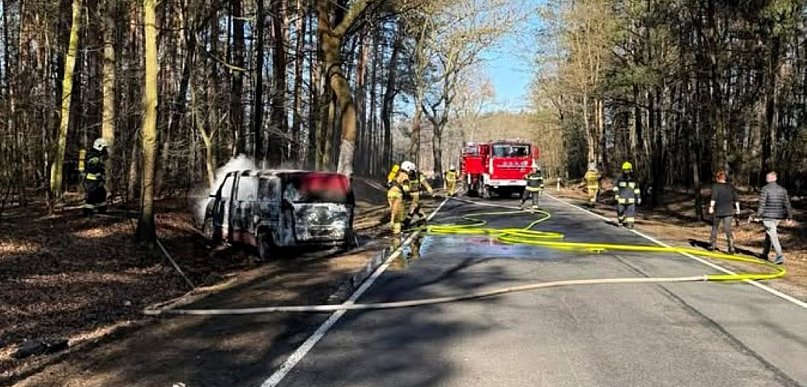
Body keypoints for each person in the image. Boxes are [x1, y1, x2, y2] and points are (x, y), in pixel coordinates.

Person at [755, 171, 795, 265]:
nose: (766, 178)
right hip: (778, 217)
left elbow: (762, 204)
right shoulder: (783, 190)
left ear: (773, 178)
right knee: (769, 235)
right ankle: (765, 253)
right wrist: (789, 216)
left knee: (773, 235)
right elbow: (787, 204)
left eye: (767, 177)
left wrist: (758, 215)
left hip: (768, 216)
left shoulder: (765, 189)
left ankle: (779, 256)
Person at [708, 169, 740, 254]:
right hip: (729, 211)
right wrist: (738, 209)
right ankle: (731, 246)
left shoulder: (716, 186)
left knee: (715, 227)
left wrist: (711, 207)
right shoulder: (731, 186)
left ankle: (712, 244)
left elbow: (713, 197)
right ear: (724, 178)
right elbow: (736, 199)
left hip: (718, 210)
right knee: (727, 229)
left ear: (717, 178)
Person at [83, 138, 109, 215]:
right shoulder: (94, 156)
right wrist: (99, 177)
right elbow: (93, 168)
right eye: (104, 148)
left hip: (95, 180)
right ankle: (88, 211)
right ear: (99, 147)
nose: (105, 150)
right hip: (92, 180)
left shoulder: (96, 155)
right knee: (92, 195)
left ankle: (102, 209)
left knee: (101, 193)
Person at [402, 161, 433, 226]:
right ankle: (423, 218)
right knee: (417, 208)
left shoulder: (418, 175)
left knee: (413, 207)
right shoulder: (405, 175)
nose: (406, 172)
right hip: (409, 194)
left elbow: (424, 182)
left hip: (416, 194)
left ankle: (406, 222)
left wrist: (429, 188)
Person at [386, 166, 410, 247]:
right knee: (398, 213)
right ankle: (397, 232)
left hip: (390, 194)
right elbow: (406, 187)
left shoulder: (395, 174)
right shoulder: (404, 175)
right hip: (397, 195)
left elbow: (388, 183)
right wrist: (407, 193)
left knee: (393, 211)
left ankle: (392, 228)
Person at [613, 161, 641, 229]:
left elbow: (636, 189)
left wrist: (638, 197)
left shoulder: (634, 179)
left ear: (630, 170)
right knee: (620, 211)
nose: (626, 171)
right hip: (621, 199)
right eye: (625, 170)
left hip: (631, 200)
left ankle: (630, 224)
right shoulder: (620, 179)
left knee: (631, 213)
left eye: (627, 170)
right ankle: (620, 220)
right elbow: (615, 187)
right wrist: (616, 194)